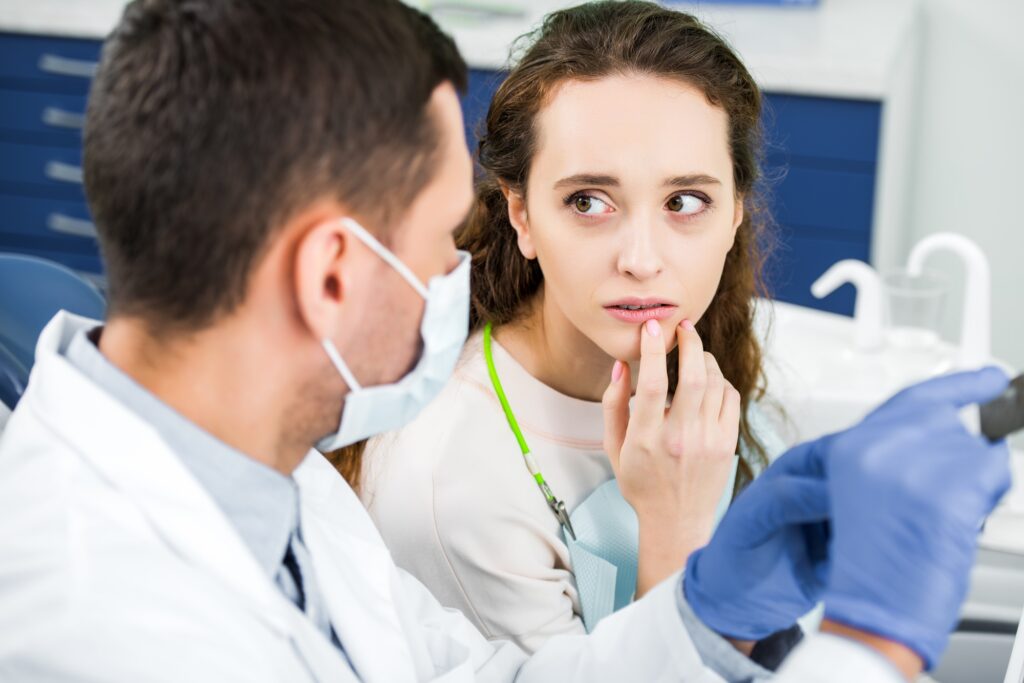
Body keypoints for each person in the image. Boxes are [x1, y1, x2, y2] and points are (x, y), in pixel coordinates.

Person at [0, 0, 1010, 681]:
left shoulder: (265, 476)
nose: (465, 276)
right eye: (446, 239)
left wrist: (703, 605)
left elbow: (481, 676)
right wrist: (871, 644)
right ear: (332, 275)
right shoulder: (105, 627)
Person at [341, 1, 793, 653]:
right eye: (589, 201)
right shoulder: (451, 489)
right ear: (521, 214)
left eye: (685, 202)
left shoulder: (706, 358)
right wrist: (675, 531)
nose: (642, 259)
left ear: (734, 215)